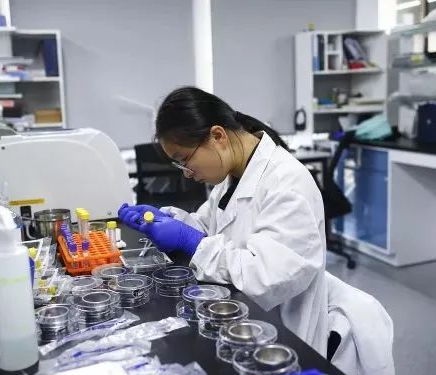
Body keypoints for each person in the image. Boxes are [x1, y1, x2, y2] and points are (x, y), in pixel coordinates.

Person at [118, 86, 329, 356]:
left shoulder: (287, 182)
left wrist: (190, 241)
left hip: (280, 342)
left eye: (184, 160)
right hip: (236, 325)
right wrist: (170, 221)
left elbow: (266, 278)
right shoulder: (233, 175)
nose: (186, 174)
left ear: (217, 136)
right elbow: (211, 228)